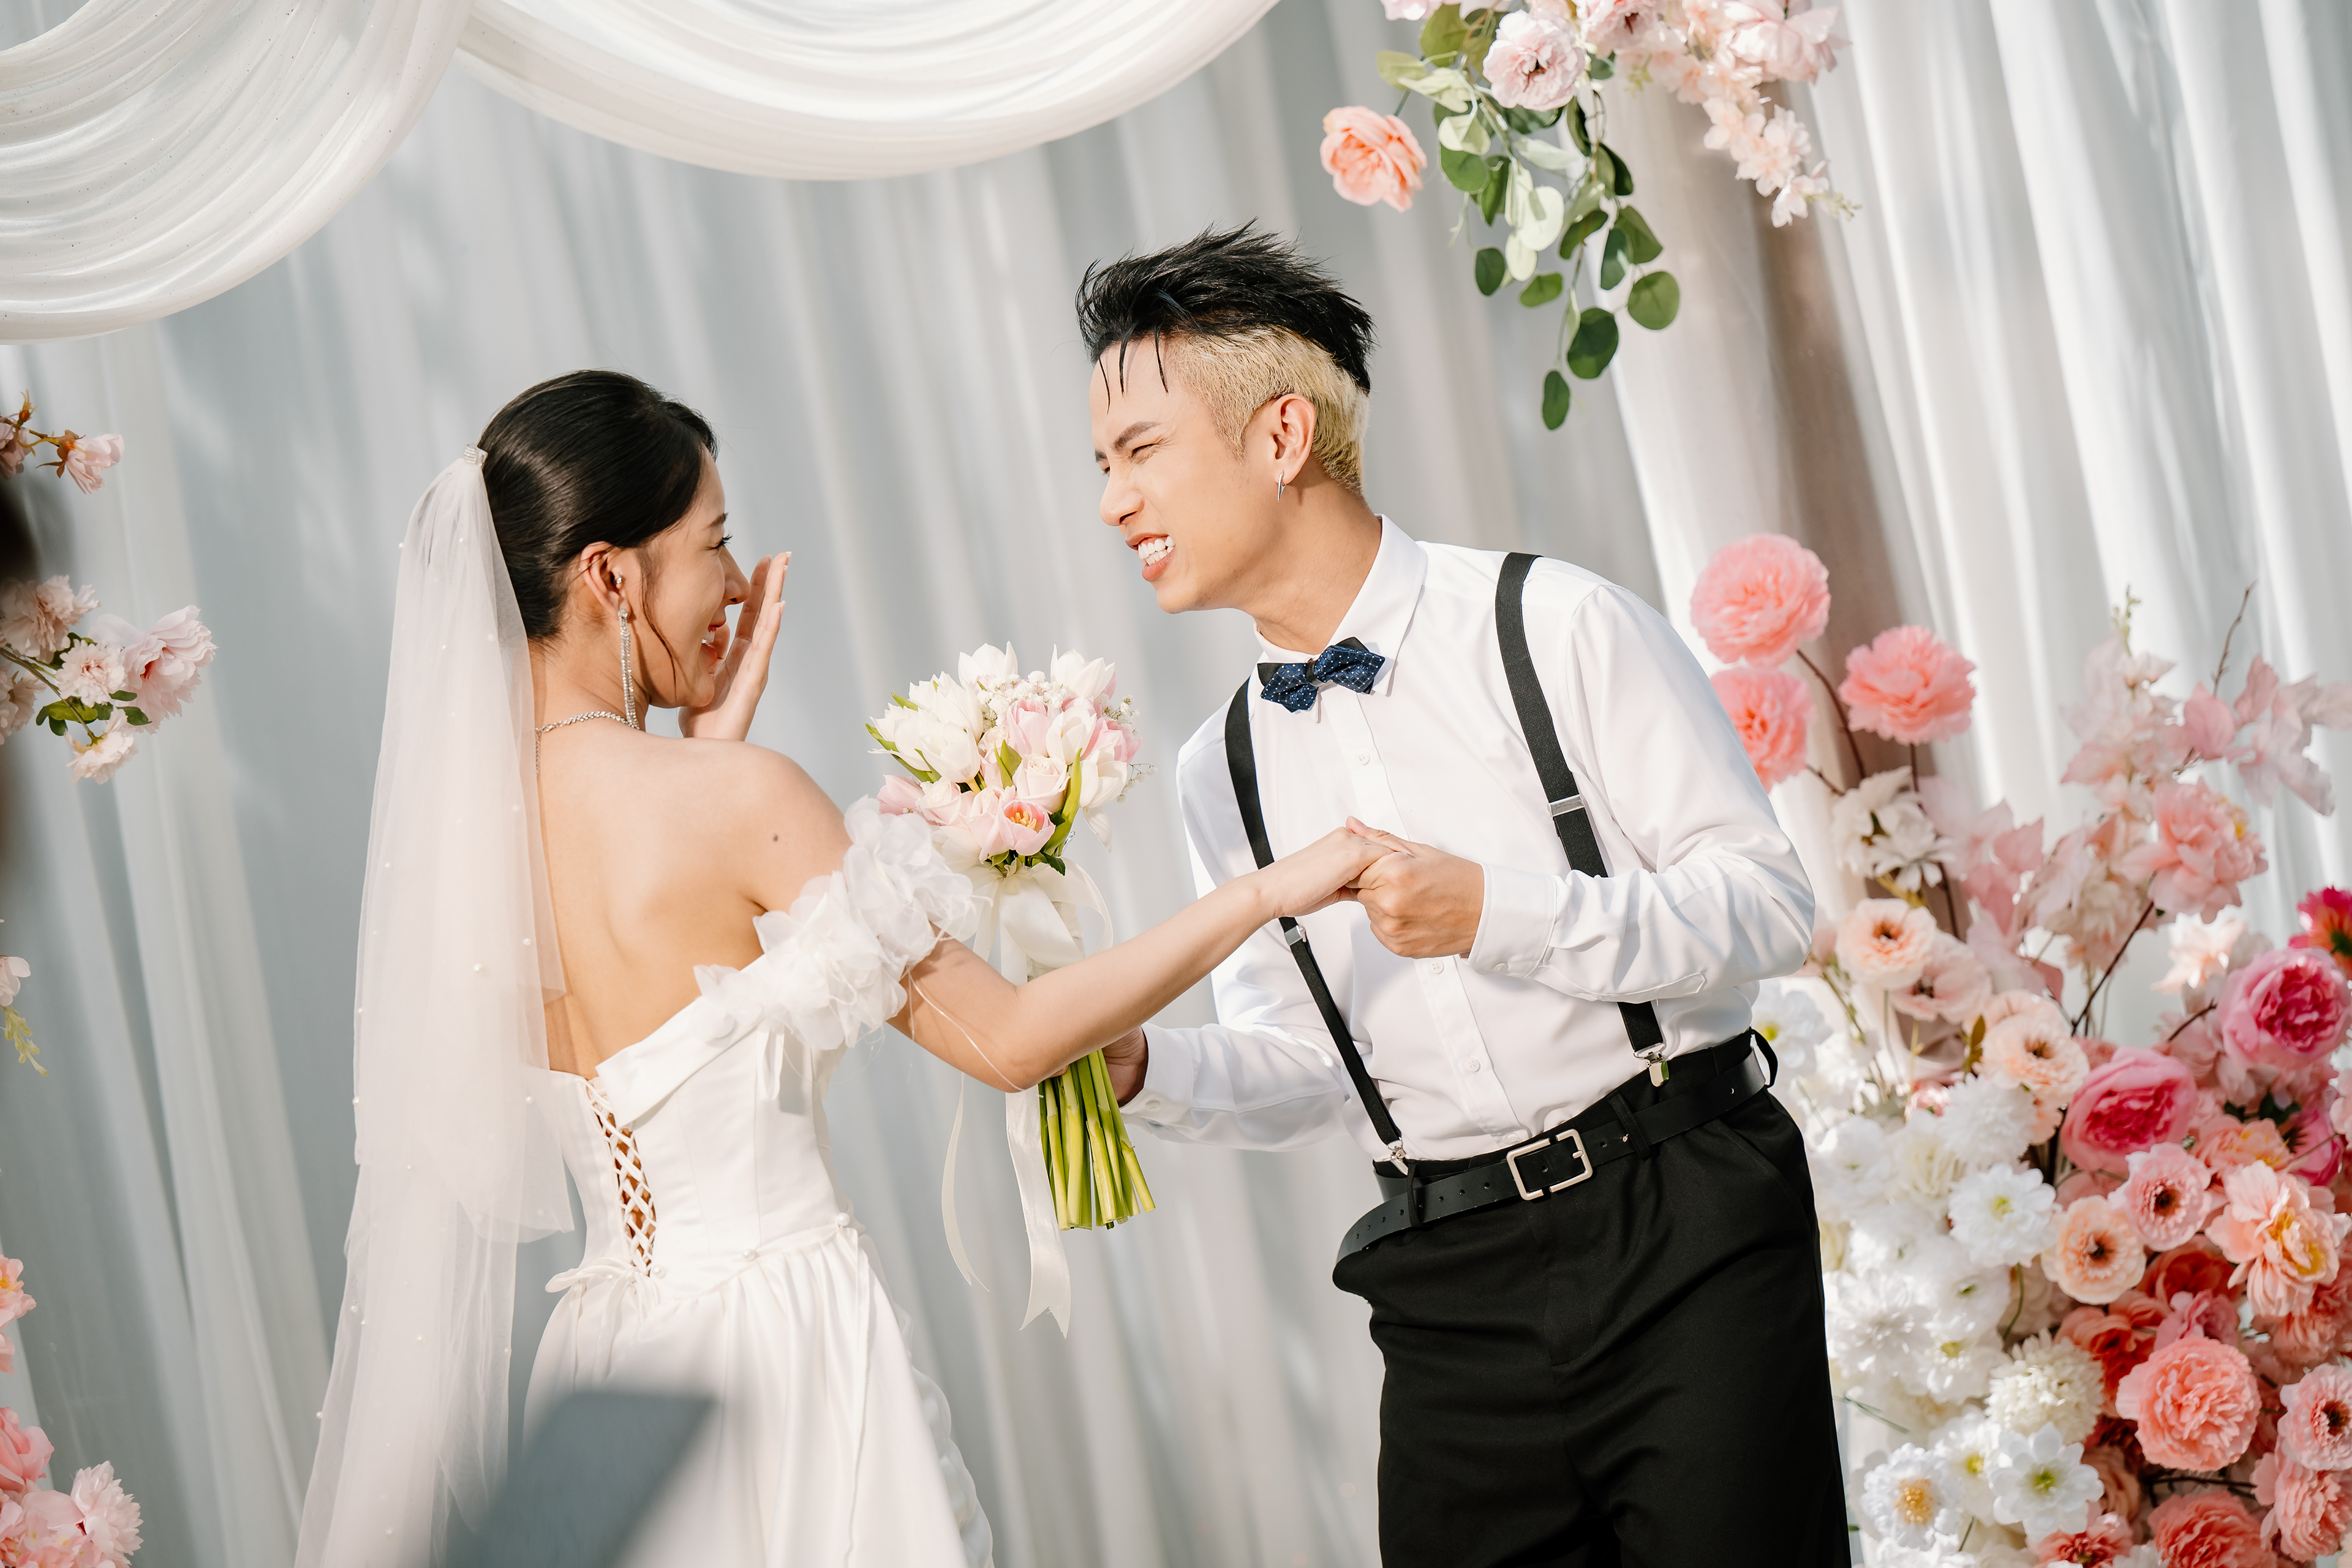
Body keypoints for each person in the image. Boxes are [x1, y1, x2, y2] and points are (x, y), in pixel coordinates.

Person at [294, 369, 1388, 1567]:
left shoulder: (468, 849)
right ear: (611, 576)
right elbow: (1011, 1039)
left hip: (607, 1364)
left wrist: (708, 751)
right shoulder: (732, 799)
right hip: (781, 1347)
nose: (733, 583)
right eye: (712, 540)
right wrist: (1264, 891)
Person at [1076, 229, 1846, 1566]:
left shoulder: (1554, 624)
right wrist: (1150, 1067)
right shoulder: (1221, 769)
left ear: (1280, 436)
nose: (1111, 503)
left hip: (1684, 1218)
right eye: (1103, 465)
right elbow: (1317, 1064)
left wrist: (1500, 913)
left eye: (1139, 451)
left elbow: (1769, 904)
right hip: (1447, 1285)